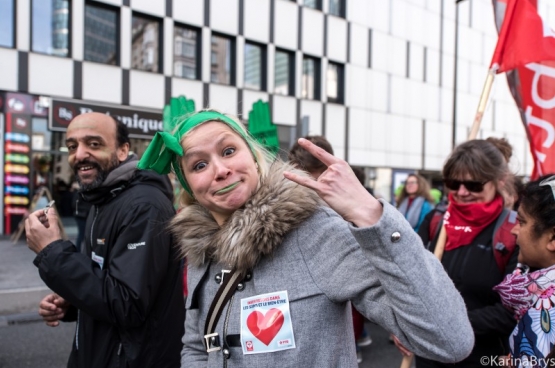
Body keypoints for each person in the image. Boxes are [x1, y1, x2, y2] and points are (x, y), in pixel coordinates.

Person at [137, 109, 474, 368]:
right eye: (198, 165)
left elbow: (448, 340)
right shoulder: (201, 250)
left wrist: (372, 216)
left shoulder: (315, 231)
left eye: (228, 150)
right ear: (189, 186)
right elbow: (197, 345)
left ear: (254, 156)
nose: (220, 170)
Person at [24, 112, 184, 368]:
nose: (80, 155)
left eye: (94, 144)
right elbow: (107, 279)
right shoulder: (101, 199)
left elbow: (128, 304)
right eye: (72, 146)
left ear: (123, 150)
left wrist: (52, 252)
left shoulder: (143, 206)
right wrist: (72, 301)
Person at [410, 139, 519, 368]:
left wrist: (450, 323)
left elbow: (513, 309)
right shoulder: (436, 221)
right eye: (453, 183)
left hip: (484, 356)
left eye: (474, 185)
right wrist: (404, 324)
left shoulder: (514, 231)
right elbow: (409, 279)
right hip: (430, 353)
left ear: (499, 181)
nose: (461, 192)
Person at [494, 175, 555, 367]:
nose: (513, 231)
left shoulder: (546, 308)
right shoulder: (537, 293)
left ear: (552, 238)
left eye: (522, 222)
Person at [70, 180, 92, 252]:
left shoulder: (83, 193)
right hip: (81, 215)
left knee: (83, 234)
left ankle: (80, 250)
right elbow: (75, 204)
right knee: (82, 234)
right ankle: (79, 250)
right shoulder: (80, 193)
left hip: (82, 215)